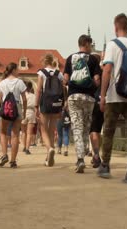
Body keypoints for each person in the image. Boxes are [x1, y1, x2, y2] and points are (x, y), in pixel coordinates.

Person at [98, 13, 127, 185]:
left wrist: (102, 95)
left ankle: (105, 166)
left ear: (115, 27)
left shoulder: (112, 45)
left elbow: (107, 70)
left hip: (114, 96)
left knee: (109, 131)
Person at [63, 35, 101, 173]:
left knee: (77, 128)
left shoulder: (70, 58)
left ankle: (80, 159)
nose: (91, 48)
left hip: (74, 97)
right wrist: (91, 87)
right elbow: (97, 80)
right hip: (89, 99)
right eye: (90, 45)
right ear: (86, 44)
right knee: (86, 128)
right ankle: (84, 151)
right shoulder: (92, 59)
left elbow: (65, 80)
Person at [0, 63, 27, 168]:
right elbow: (24, 99)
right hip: (16, 107)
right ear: (14, 70)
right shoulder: (20, 82)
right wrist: (24, 111)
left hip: (6, 107)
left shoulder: (2, 83)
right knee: (15, 135)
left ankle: (4, 155)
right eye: (18, 69)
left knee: (3, 133)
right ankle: (13, 161)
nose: (19, 71)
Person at [35, 54, 66, 167]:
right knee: (52, 129)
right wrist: (63, 105)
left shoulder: (41, 73)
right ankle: (48, 158)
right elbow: (63, 90)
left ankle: (50, 149)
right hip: (56, 103)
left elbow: (38, 90)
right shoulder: (59, 74)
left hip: (45, 103)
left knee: (43, 129)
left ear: (44, 61)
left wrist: (36, 106)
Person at [89, 53, 104, 168]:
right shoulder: (106, 71)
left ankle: (96, 155)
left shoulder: (91, 72)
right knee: (99, 130)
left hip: (92, 102)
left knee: (93, 130)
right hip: (104, 102)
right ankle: (99, 154)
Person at [21, 81, 37, 155]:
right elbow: (36, 106)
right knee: (29, 133)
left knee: (23, 132)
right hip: (31, 112)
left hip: (23, 112)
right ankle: (27, 149)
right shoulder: (34, 96)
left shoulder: (22, 95)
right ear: (31, 88)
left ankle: (24, 147)